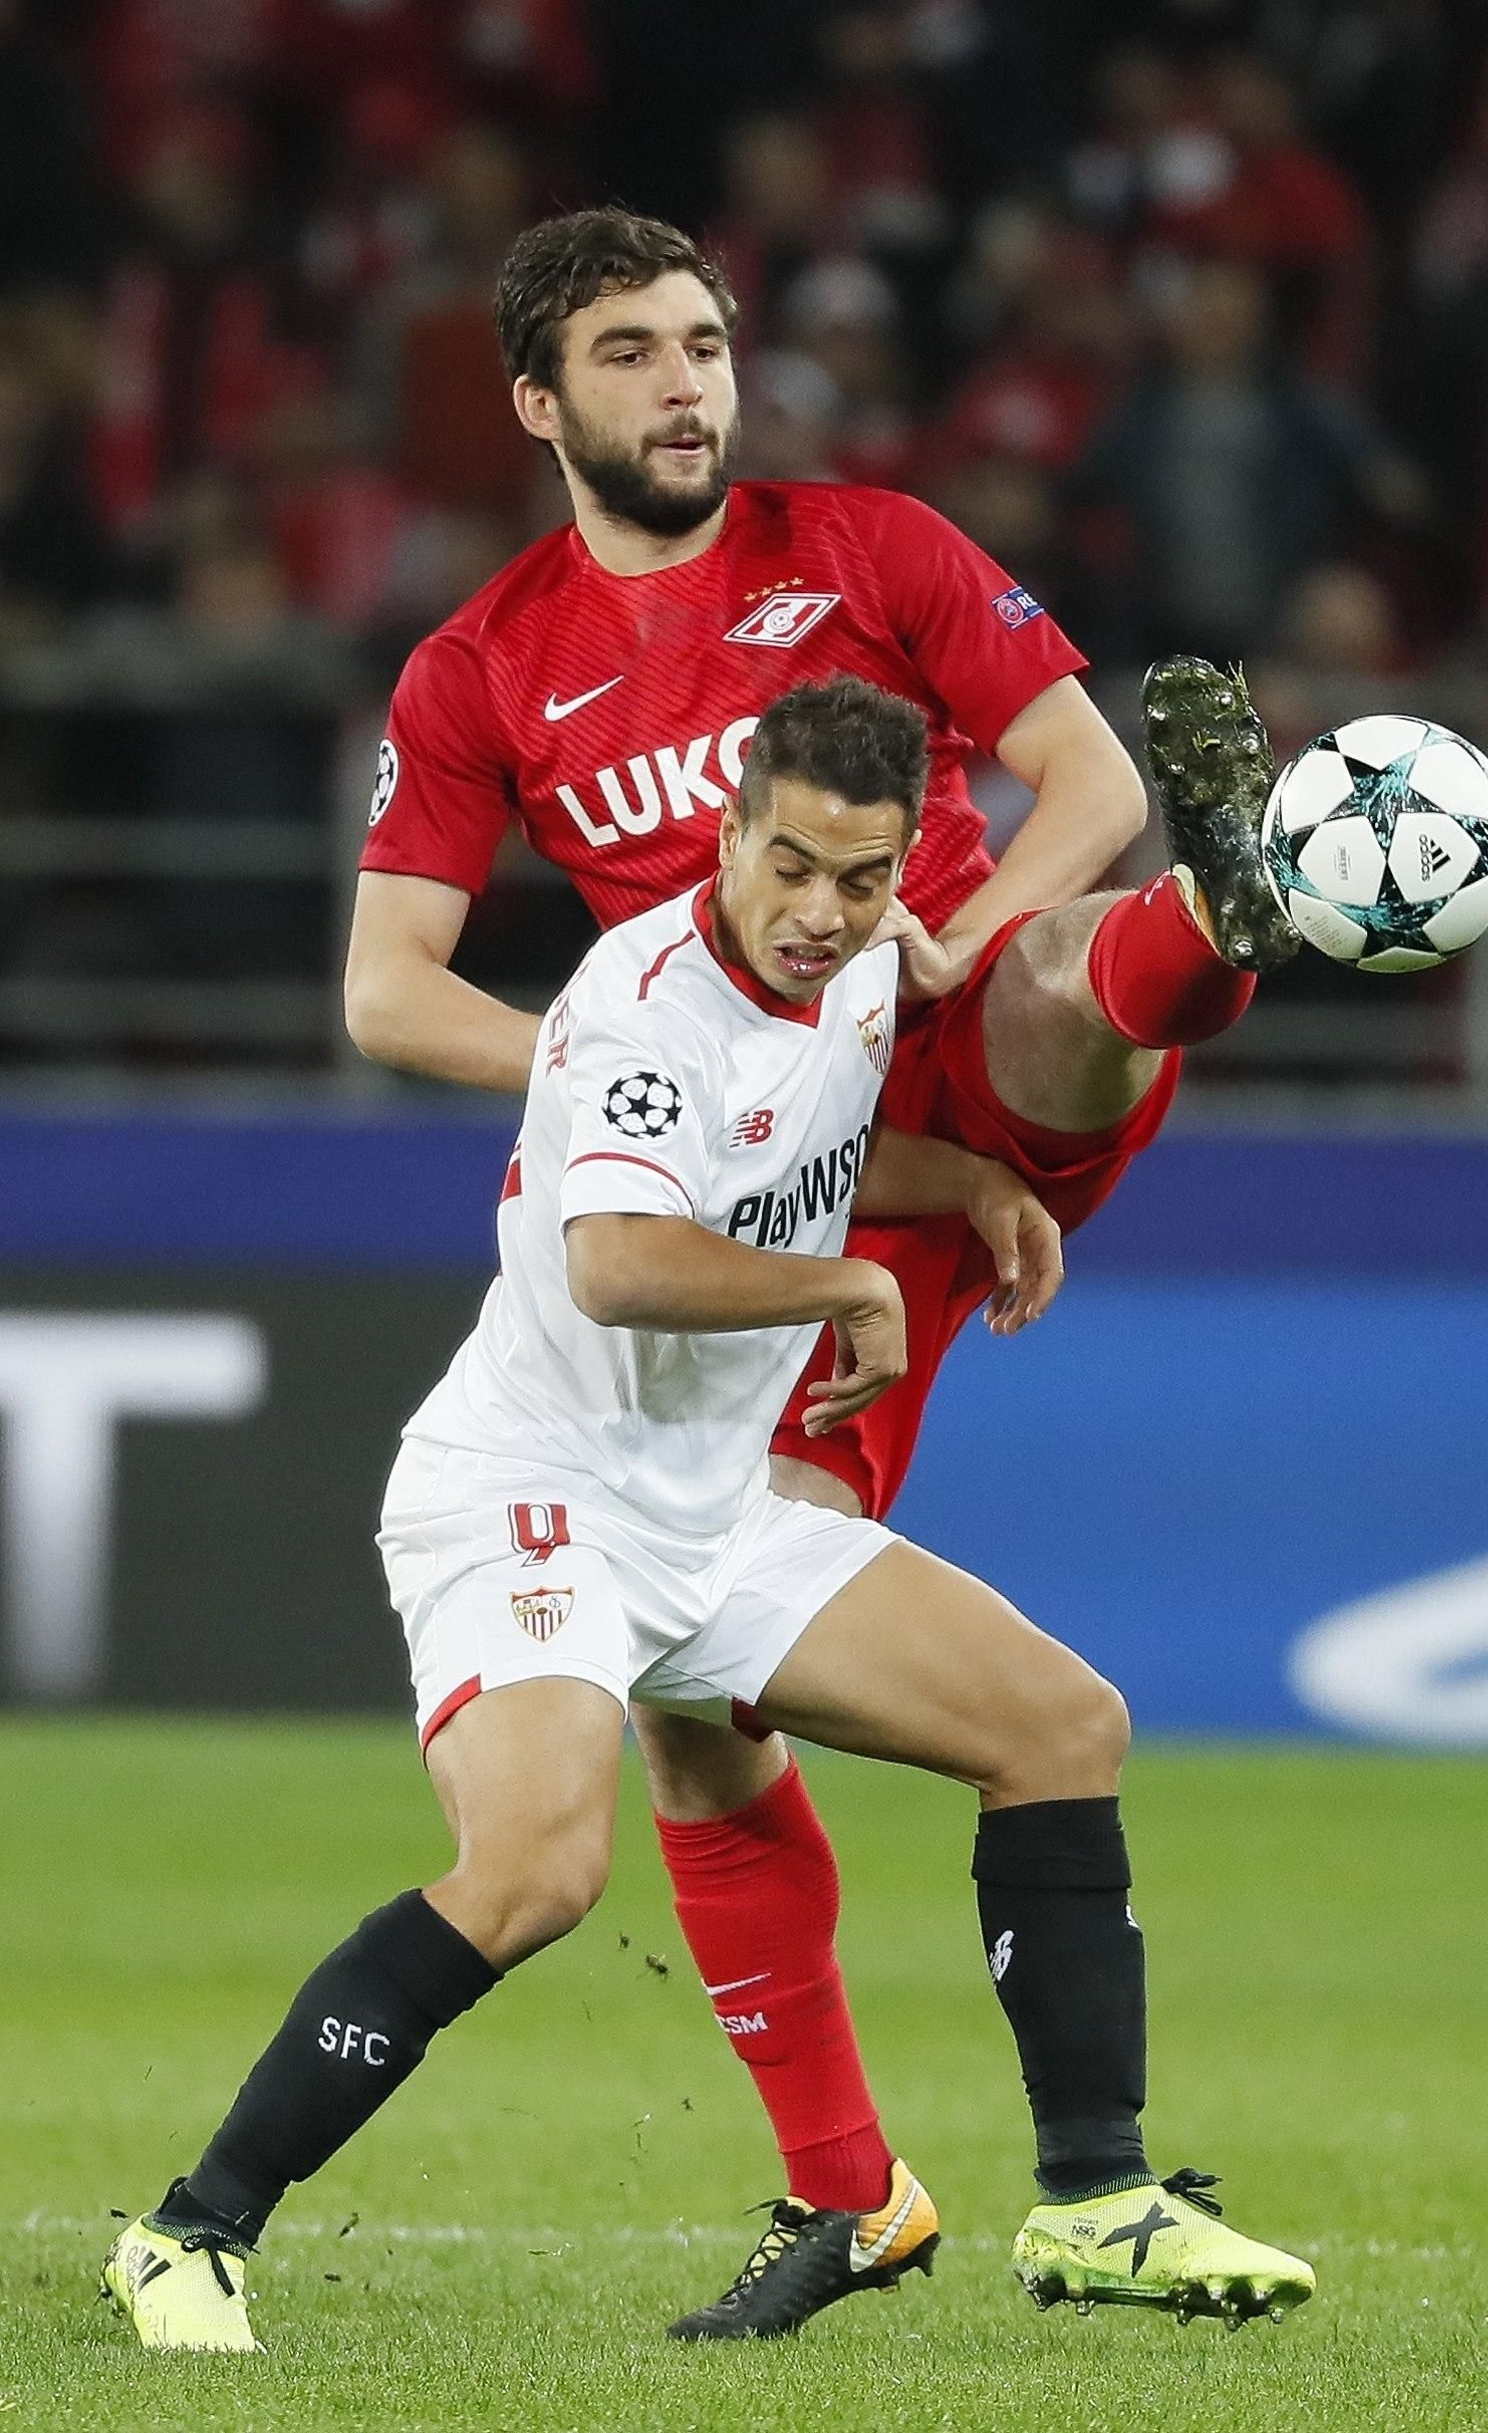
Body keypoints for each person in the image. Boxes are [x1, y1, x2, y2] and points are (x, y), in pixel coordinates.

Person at [341, 205, 1298, 2337]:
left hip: (966, 1028)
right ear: (537, 400)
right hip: (808, 1186)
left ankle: (1224, 924)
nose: (687, 381)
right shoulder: (487, 660)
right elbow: (390, 995)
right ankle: (847, 2191)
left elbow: (1085, 773)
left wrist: (960, 925)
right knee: (702, 1696)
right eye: (630, 353)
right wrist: (621, 1071)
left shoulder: (863, 541)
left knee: (1067, 957)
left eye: (703, 341)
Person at [102, 675, 1314, 2352]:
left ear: (903, 873)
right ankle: (190, 2231)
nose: (824, 915)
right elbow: (618, 1262)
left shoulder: (869, 969)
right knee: (535, 1869)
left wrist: (961, 1181)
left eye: (865, 880)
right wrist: (850, 1290)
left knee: (1061, 1723)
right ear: (730, 831)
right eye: (794, 867)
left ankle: (1099, 2194)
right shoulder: (640, 1005)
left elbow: (803, 1152)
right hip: (534, 1497)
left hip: (711, 1518)